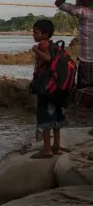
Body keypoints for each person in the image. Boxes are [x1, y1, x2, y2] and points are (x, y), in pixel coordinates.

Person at [30, 19, 68, 158]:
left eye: (36, 32)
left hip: (46, 88)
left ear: (45, 34)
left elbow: (47, 59)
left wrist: (35, 49)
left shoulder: (42, 45)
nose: (33, 35)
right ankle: (56, 146)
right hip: (56, 88)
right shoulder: (54, 45)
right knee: (56, 117)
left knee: (45, 118)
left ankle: (46, 149)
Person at [55, 0, 93, 106]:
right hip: (87, 59)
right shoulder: (84, 11)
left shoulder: (84, 12)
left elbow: (59, 3)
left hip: (88, 60)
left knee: (85, 93)